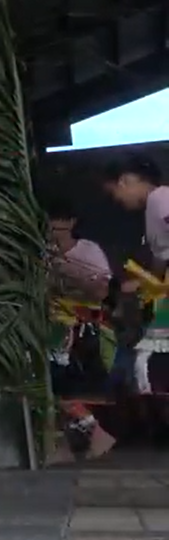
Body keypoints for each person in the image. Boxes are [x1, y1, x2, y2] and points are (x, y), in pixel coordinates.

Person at [42, 201, 117, 461]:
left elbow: (102, 290)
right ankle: (77, 444)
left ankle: (94, 440)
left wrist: (66, 272)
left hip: (83, 329)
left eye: (59, 220)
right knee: (53, 387)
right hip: (52, 329)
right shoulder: (42, 253)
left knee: (72, 388)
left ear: (72, 222)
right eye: (50, 221)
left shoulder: (89, 251)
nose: (53, 227)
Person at [104, 157, 169, 394]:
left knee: (145, 361)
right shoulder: (156, 204)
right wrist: (143, 283)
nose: (118, 202)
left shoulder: (160, 198)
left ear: (124, 181)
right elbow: (160, 263)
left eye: (115, 194)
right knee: (146, 359)